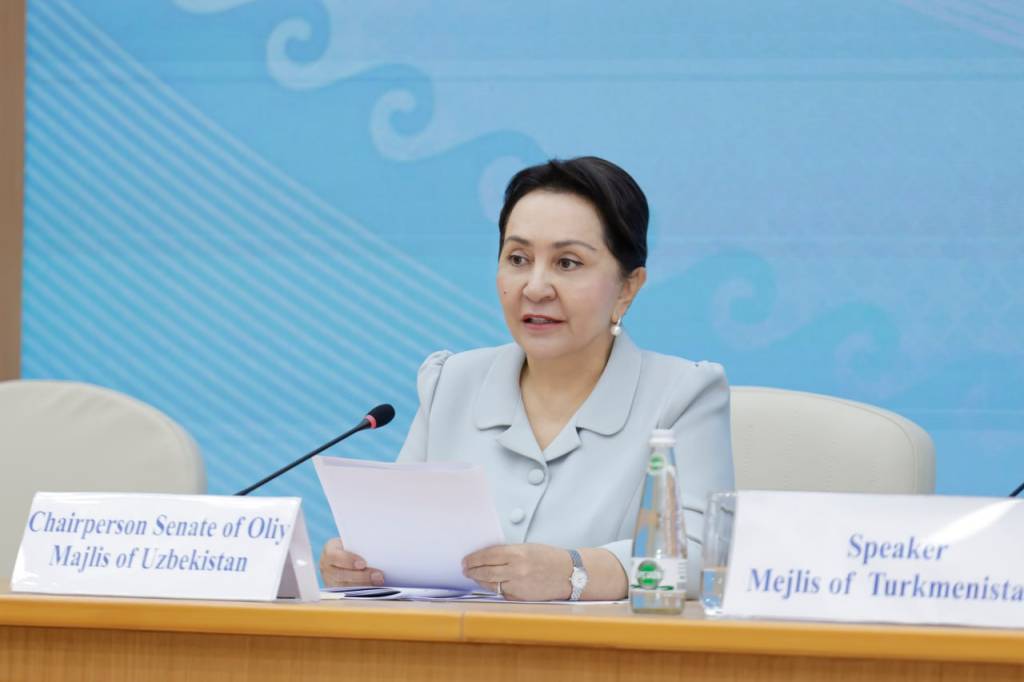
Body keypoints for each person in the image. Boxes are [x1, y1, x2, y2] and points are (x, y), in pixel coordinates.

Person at [320, 156, 734, 601]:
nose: (535, 287)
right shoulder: (451, 383)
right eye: (518, 259)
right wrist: (360, 563)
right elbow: (396, 534)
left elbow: (703, 555)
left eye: (567, 263)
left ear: (627, 287)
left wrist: (575, 572)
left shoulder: (682, 396)